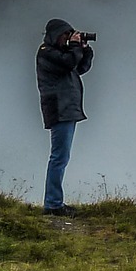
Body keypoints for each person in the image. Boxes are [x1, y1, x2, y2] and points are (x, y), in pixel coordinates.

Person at [36, 18, 94, 215]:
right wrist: (76, 47)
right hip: (59, 109)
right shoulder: (46, 53)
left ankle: (54, 202)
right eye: (65, 35)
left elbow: (80, 68)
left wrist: (84, 50)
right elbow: (70, 63)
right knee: (59, 157)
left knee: (62, 157)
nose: (67, 39)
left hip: (67, 109)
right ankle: (52, 204)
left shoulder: (60, 54)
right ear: (54, 35)